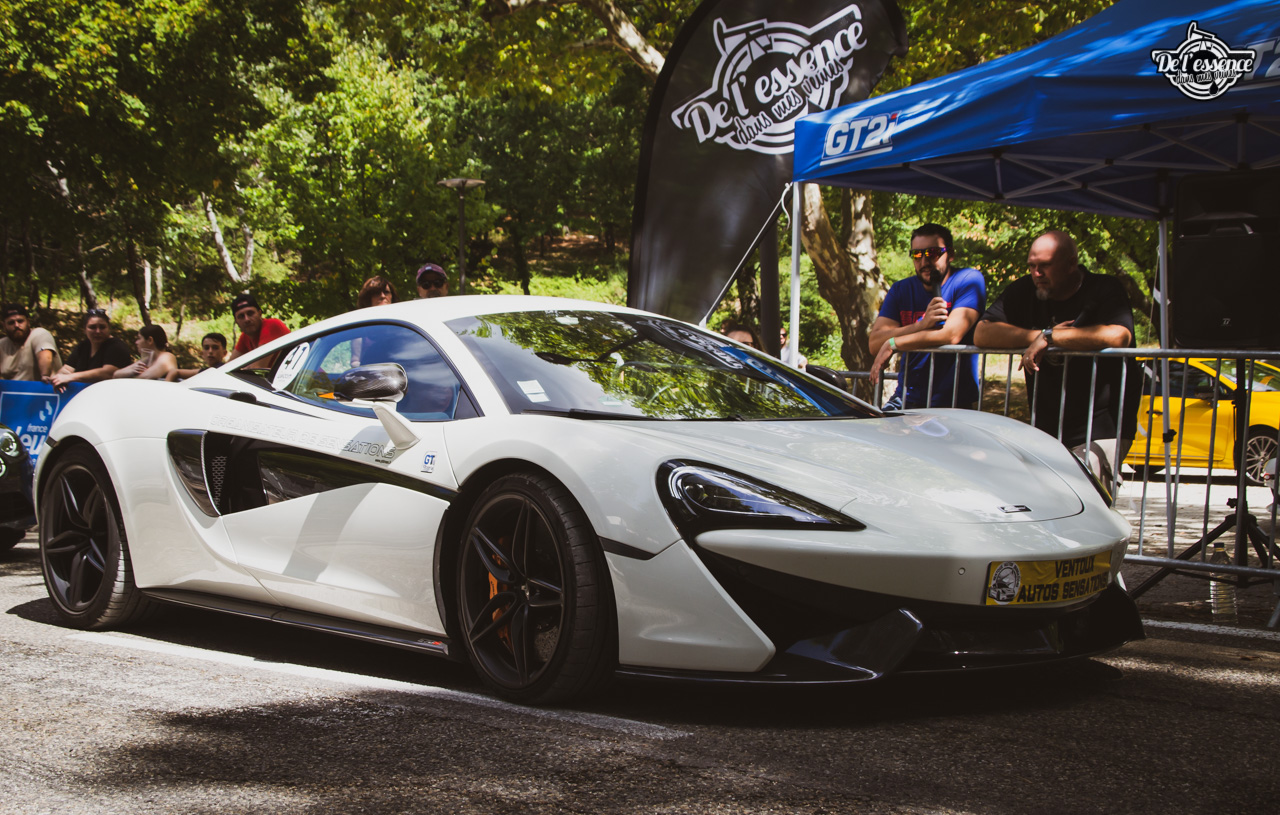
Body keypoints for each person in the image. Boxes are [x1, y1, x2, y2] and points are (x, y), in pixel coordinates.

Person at [974, 230, 1138, 484]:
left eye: (1045, 266)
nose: (1037, 273)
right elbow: (982, 334)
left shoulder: (1104, 288)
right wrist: (1038, 335)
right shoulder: (1025, 289)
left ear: (1072, 263)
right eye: (1032, 266)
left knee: (1085, 497)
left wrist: (1052, 338)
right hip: (1047, 428)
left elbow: (1119, 336)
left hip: (1101, 425)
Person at [869, 224, 986, 409]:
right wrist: (921, 325)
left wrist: (894, 343)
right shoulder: (901, 290)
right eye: (917, 254)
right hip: (906, 398)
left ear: (951, 254)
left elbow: (951, 335)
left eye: (932, 253)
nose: (924, 261)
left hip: (953, 404)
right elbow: (875, 343)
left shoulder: (968, 280)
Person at [50, 309, 133, 389]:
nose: (98, 331)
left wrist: (70, 377)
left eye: (102, 327)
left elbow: (108, 373)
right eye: (92, 327)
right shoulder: (83, 346)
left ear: (109, 328)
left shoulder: (117, 347)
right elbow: (66, 370)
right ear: (84, 330)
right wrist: (59, 379)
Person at [0, 304, 62, 382]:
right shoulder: (2, 344)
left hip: (42, 390)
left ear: (28, 322)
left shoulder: (39, 334)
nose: (16, 325)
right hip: (12, 391)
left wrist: (45, 375)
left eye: (20, 321)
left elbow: (45, 356)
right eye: (11, 323)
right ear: (4, 325)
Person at [227, 293, 290, 361]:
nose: (247, 319)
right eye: (241, 316)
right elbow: (228, 366)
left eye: (250, 313)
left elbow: (258, 366)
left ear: (259, 314)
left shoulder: (272, 325)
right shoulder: (245, 337)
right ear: (236, 322)